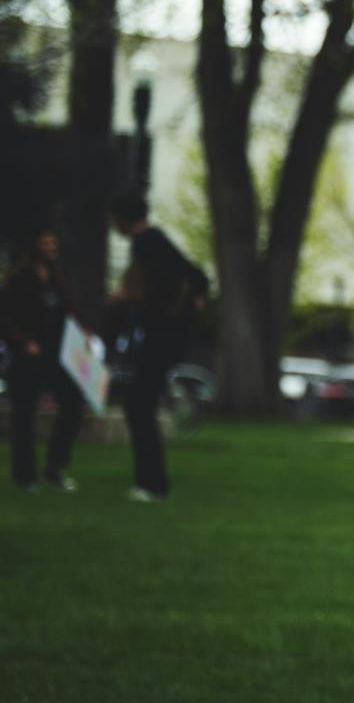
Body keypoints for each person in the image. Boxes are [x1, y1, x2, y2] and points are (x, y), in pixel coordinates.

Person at [108, 191, 208, 501]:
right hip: (169, 337)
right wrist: (197, 302)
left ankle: (152, 483)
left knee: (138, 404)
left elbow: (148, 290)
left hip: (160, 337)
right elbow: (196, 276)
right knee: (141, 403)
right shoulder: (159, 241)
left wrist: (124, 298)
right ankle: (151, 481)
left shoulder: (147, 244)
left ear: (123, 219)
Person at [5, 228, 85, 492]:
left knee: (72, 403)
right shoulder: (18, 279)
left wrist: (79, 334)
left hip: (57, 354)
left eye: (53, 242)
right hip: (28, 356)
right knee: (25, 415)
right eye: (46, 242)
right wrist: (23, 341)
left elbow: (66, 311)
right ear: (35, 246)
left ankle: (54, 466)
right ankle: (25, 476)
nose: (51, 247)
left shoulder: (55, 279)